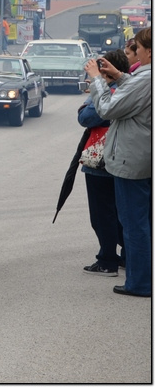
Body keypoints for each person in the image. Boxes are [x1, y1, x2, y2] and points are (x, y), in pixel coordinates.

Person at [84, 27, 152, 298]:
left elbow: (107, 109)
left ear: (148, 51)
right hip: (139, 158)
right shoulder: (141, 77)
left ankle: (140, 283)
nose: (133, 52)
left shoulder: (145, 79)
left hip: (131, 160)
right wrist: (119, 76)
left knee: (134, 225)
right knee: (138, 222)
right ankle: (141, 279)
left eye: (136, 47)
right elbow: (134, 91)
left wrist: (97, 80)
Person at [76, 48, 131, 277]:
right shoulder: (131, 86)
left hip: (101, 163)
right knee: (122, 213)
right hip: (123, 159)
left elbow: (86, 117)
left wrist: (90, 99)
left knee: (102, 214)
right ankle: (126, 257)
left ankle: (107, 260)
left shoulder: (111, 89)